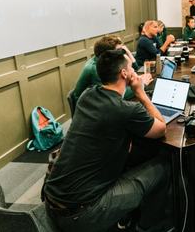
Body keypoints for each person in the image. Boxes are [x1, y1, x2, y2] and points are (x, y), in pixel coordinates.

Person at [44, 48, 172, 232]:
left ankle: (126, 211)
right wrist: (141, 94)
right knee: (164, 167)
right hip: (83, 215)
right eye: (131, 67)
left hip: (52, 202)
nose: (134, 71)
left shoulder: (88, 94)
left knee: (129, 155)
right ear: (124, 73)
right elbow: (161, 129)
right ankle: (148, 226)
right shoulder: (127, 110)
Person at [73, 35, 152, 104]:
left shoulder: (104, 62)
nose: (121, 53)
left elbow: (134, 67)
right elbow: (114, 95)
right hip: (89, 109)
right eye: (118, 50)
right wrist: (142, 85)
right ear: (109, 54)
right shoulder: (97, 69)